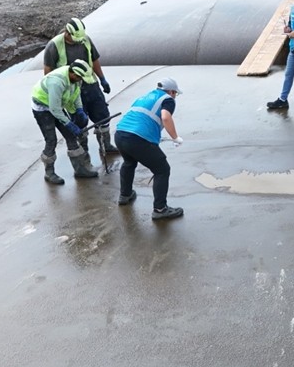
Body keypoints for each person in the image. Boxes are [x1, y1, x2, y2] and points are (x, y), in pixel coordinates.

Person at [114, 78, 185, 220]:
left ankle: (125, 195)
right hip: (138, 138)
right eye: (175, 93)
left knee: (129, 163)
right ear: (171, 91)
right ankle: (160, 209)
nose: (175, 96)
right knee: (162, 169)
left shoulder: (145, 96)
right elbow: (165, 117)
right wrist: (175, 137)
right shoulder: (168, 99)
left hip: (120, 134)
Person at [43, 17, 116, 154]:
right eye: (75, 39)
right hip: (70, 89)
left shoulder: (85, 39)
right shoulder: (54, 46)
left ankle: (106, 146)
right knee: (79, 122)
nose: (78, 42)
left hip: (90, 84)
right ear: (67, 33)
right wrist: (54, 93)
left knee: (102, 114)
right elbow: (48, 71)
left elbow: (94, 60)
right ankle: (84, 152)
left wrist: (102, 79)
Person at [31, 58, 98, 185]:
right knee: (51, 140)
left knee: (71, 137)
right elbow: (54, 109)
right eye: (79, 78)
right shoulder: (57, 82)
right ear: (73, 74)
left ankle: (80, 169)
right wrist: (68, 124)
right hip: (42, 107)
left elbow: (76, 93)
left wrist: (79, 109)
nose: (80, 81)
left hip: (56, 104)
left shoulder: (76, 78)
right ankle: (49, 173)